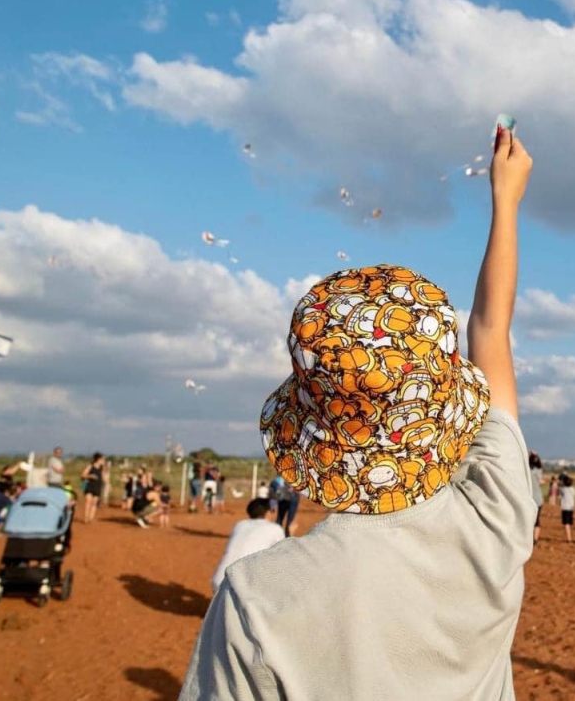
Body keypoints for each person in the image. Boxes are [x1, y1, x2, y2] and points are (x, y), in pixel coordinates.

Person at [180, 121, 535, 700]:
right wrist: (506, 198)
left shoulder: (258, 600)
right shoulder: (496, 519)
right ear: (441, 404)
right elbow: (492, 329)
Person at [211, 499, 286, 594]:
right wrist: (291, 534)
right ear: (267, 513)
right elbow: (283, 557)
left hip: (218, 583)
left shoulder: (239, 525)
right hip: (243, 590)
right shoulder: (275, 529)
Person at [80, 452, 106, 524]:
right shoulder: (90, 466)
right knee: (88, 501)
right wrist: (90, 476)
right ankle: (86, 518)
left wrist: (107, 484)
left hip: (97, 486)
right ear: (98, 459)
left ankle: (91, 518)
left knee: (94, 503)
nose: (104, 461)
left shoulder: (102, 468)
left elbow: (104, 477)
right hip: (90, 486)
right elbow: (83, 475)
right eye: (102, 459)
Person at [529, 452, 545, 544]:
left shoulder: (526, 471)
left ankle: (528, 538)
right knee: (537, 519)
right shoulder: (538, 471)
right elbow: (540, 465)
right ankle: (535, 539)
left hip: (528, 499)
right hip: (538, 499)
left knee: (529, 519)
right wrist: (537, 455)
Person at [559, 474, 575, 544]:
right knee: (569, 523)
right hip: (571, 508)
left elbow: (558, 488)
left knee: (566, 524)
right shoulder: (573, 489)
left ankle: (569, 538)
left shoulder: (563, 489)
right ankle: (569, 536)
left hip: (565, 508)